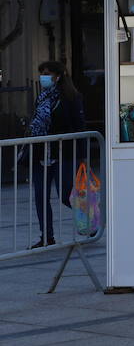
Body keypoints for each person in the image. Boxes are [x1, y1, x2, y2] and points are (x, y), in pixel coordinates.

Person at [25, 62, 86, 249]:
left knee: (66, 194)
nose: (43, 76)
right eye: (41, 73)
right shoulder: (42, 97)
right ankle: (46, 236)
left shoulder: (70, 97)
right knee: (40, 196)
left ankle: (90, 222)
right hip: (41, 152)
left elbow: (79, 125)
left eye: (47, 73)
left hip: (63, 152)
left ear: (58, 76)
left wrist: (82, 155)